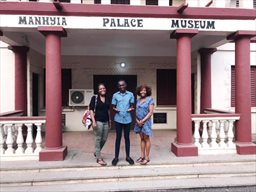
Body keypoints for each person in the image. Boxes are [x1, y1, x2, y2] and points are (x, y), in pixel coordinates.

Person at [111, 80, 135, 166]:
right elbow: (113, 107)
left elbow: (132, 106)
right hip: (118, 119)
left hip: (128, 119)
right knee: (118, 138)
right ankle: (116, 157)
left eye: (123, 85)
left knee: (127, 138)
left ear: (126, 85)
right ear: (118, 87)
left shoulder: (130, 94)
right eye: (120, 85)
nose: (122, 87)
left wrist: (131, 109)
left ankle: (128, 157)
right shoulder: (115, 95)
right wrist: (115, 109)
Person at [89, 83, 111, 166]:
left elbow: (108, 110)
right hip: (98, 121)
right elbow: (91, 110)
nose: (102, 90)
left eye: (104, 88)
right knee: (98, 139)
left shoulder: (107, 97)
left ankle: (96, 152)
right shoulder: (94, 98)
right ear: (98, 90)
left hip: (106, 121)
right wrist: (93, 121)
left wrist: (110, 121)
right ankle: (98, 158)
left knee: (104, 138)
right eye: (101, 89)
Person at [134, 85, 154, 165]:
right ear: (139, 91)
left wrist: (142, 121)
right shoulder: (137, 100)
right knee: (142, 138)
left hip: (146, 122)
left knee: (146, 138)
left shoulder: (150, 99)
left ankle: (147, 157)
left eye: (144, 90)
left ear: (147, 91)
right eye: (141, 90)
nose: (143, 92)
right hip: (138, 122)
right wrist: (137, 121)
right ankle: (142, 156)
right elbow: (134, 111)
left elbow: (150, 112)